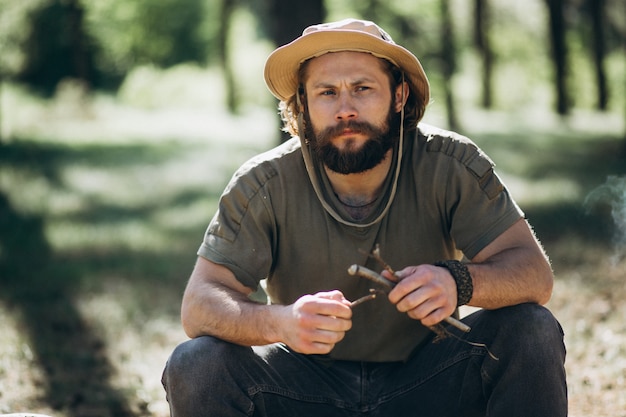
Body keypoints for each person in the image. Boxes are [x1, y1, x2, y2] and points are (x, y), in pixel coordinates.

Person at [161, 18, 567, 416]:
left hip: (433, 381)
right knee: (197, 363)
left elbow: (534, 274)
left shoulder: (451, 164)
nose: (345, 109)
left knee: (531, 328)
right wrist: (280, 323)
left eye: (362, 88)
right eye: (325, 93)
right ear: (302, 104)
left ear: (399, 95)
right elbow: (199, 305)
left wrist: (458, 281)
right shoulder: (262, 183)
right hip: (301, 389)